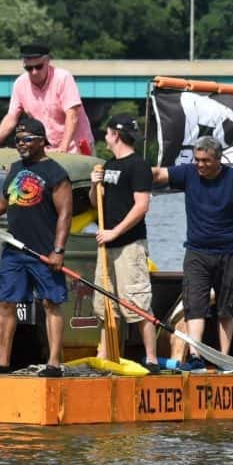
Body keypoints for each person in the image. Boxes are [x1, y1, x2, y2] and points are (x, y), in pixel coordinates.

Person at [0, 117, 72, 377]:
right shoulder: (14, 169)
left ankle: (54, 363)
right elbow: (1, 205)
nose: (20, 145)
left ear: (41, 141)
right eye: (17, 140)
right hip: (14, 250)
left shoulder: (56, 173)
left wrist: (58, 250)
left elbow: (65, 214)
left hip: (44, 251)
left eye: (25, 140)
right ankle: (3, 363)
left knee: (50, 303)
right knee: (6, 303)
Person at [151, 135, 233, 371]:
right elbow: (159, 175)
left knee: (226, 307)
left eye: (205, 161)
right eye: (197, 160)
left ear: (218, 159)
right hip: (197, 252)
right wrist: (130, 171)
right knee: (195, 304)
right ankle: (195, 355)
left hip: (230, 252)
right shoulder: (189, 173)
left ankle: (225, 358)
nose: (200, 165)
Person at [89, 114, 160, 374]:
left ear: (115, 135)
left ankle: (151, 359)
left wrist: (114, 232)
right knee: (105, 305)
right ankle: (106, 356)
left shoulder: (138, 165)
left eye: (107, 133)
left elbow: (142, 206)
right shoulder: (107, 165)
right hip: (106, 246)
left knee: (137, 303)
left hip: (129, 245)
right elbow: (97, 204)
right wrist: (94, 185)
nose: (105, 138)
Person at [0, 43, 94, 154]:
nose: (34, 72)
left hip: (77, 146)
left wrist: (63, 147)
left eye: (39, 67)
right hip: (50, 148)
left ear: (48, 61)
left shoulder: (63, 78)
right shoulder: (20, 84)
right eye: (29, 68)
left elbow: (72, 115)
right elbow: (11, 118)